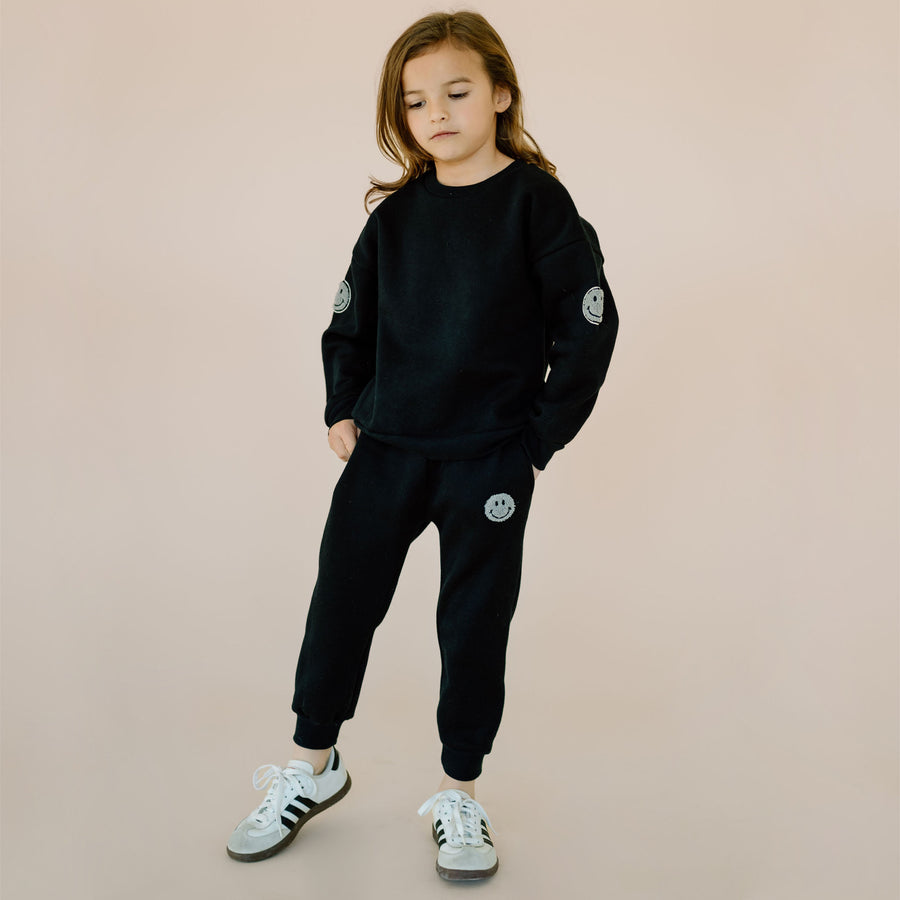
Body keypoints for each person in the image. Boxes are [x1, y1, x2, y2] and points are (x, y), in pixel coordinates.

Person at [226, 9, 618, 882]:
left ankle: (459, 794)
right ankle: (314, 766)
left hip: (489, 459)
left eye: (456, 91)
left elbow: (589, 325)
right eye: (414, 101)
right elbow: (349, 321)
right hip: (390, 452)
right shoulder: (395, 219)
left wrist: (538, 436)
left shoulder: (537, 206)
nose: (435, 112)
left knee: (473, 623)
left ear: (501, 93)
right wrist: (343, 406)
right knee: (341, 602)